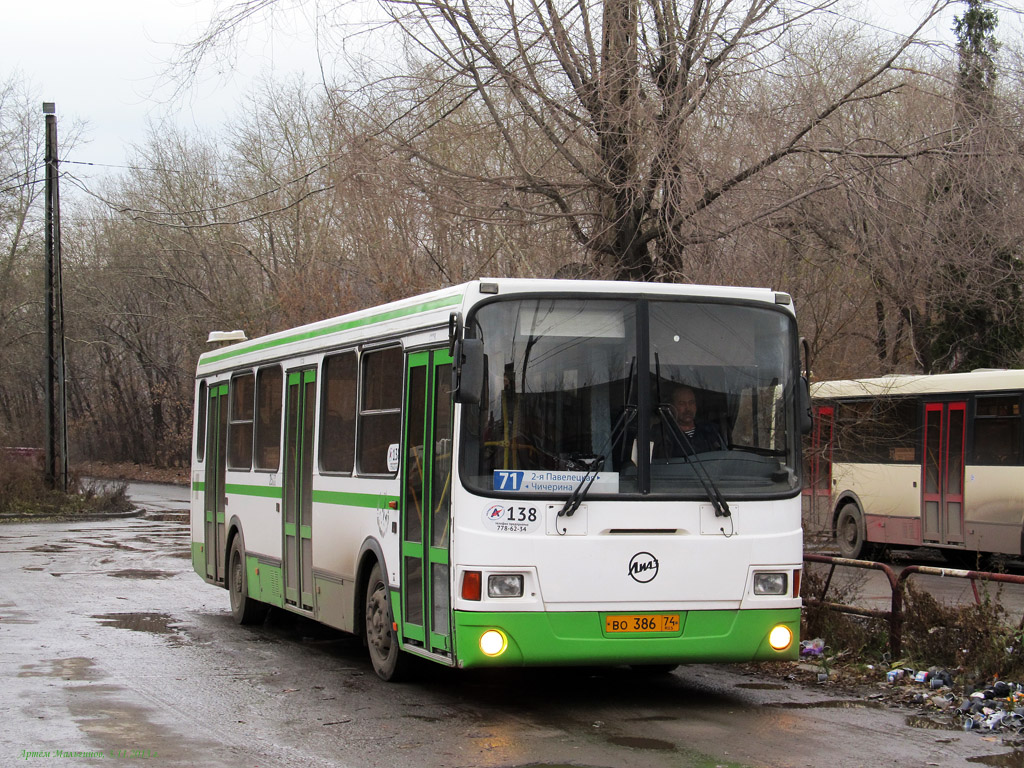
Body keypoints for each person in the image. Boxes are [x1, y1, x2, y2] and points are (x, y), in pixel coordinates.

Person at [654, 385, 726, 457]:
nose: (688, 408)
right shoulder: (662, 433)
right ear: (672, 407)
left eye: (691, 402)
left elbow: (723, 459)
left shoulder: (710, 431)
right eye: (682, 403)